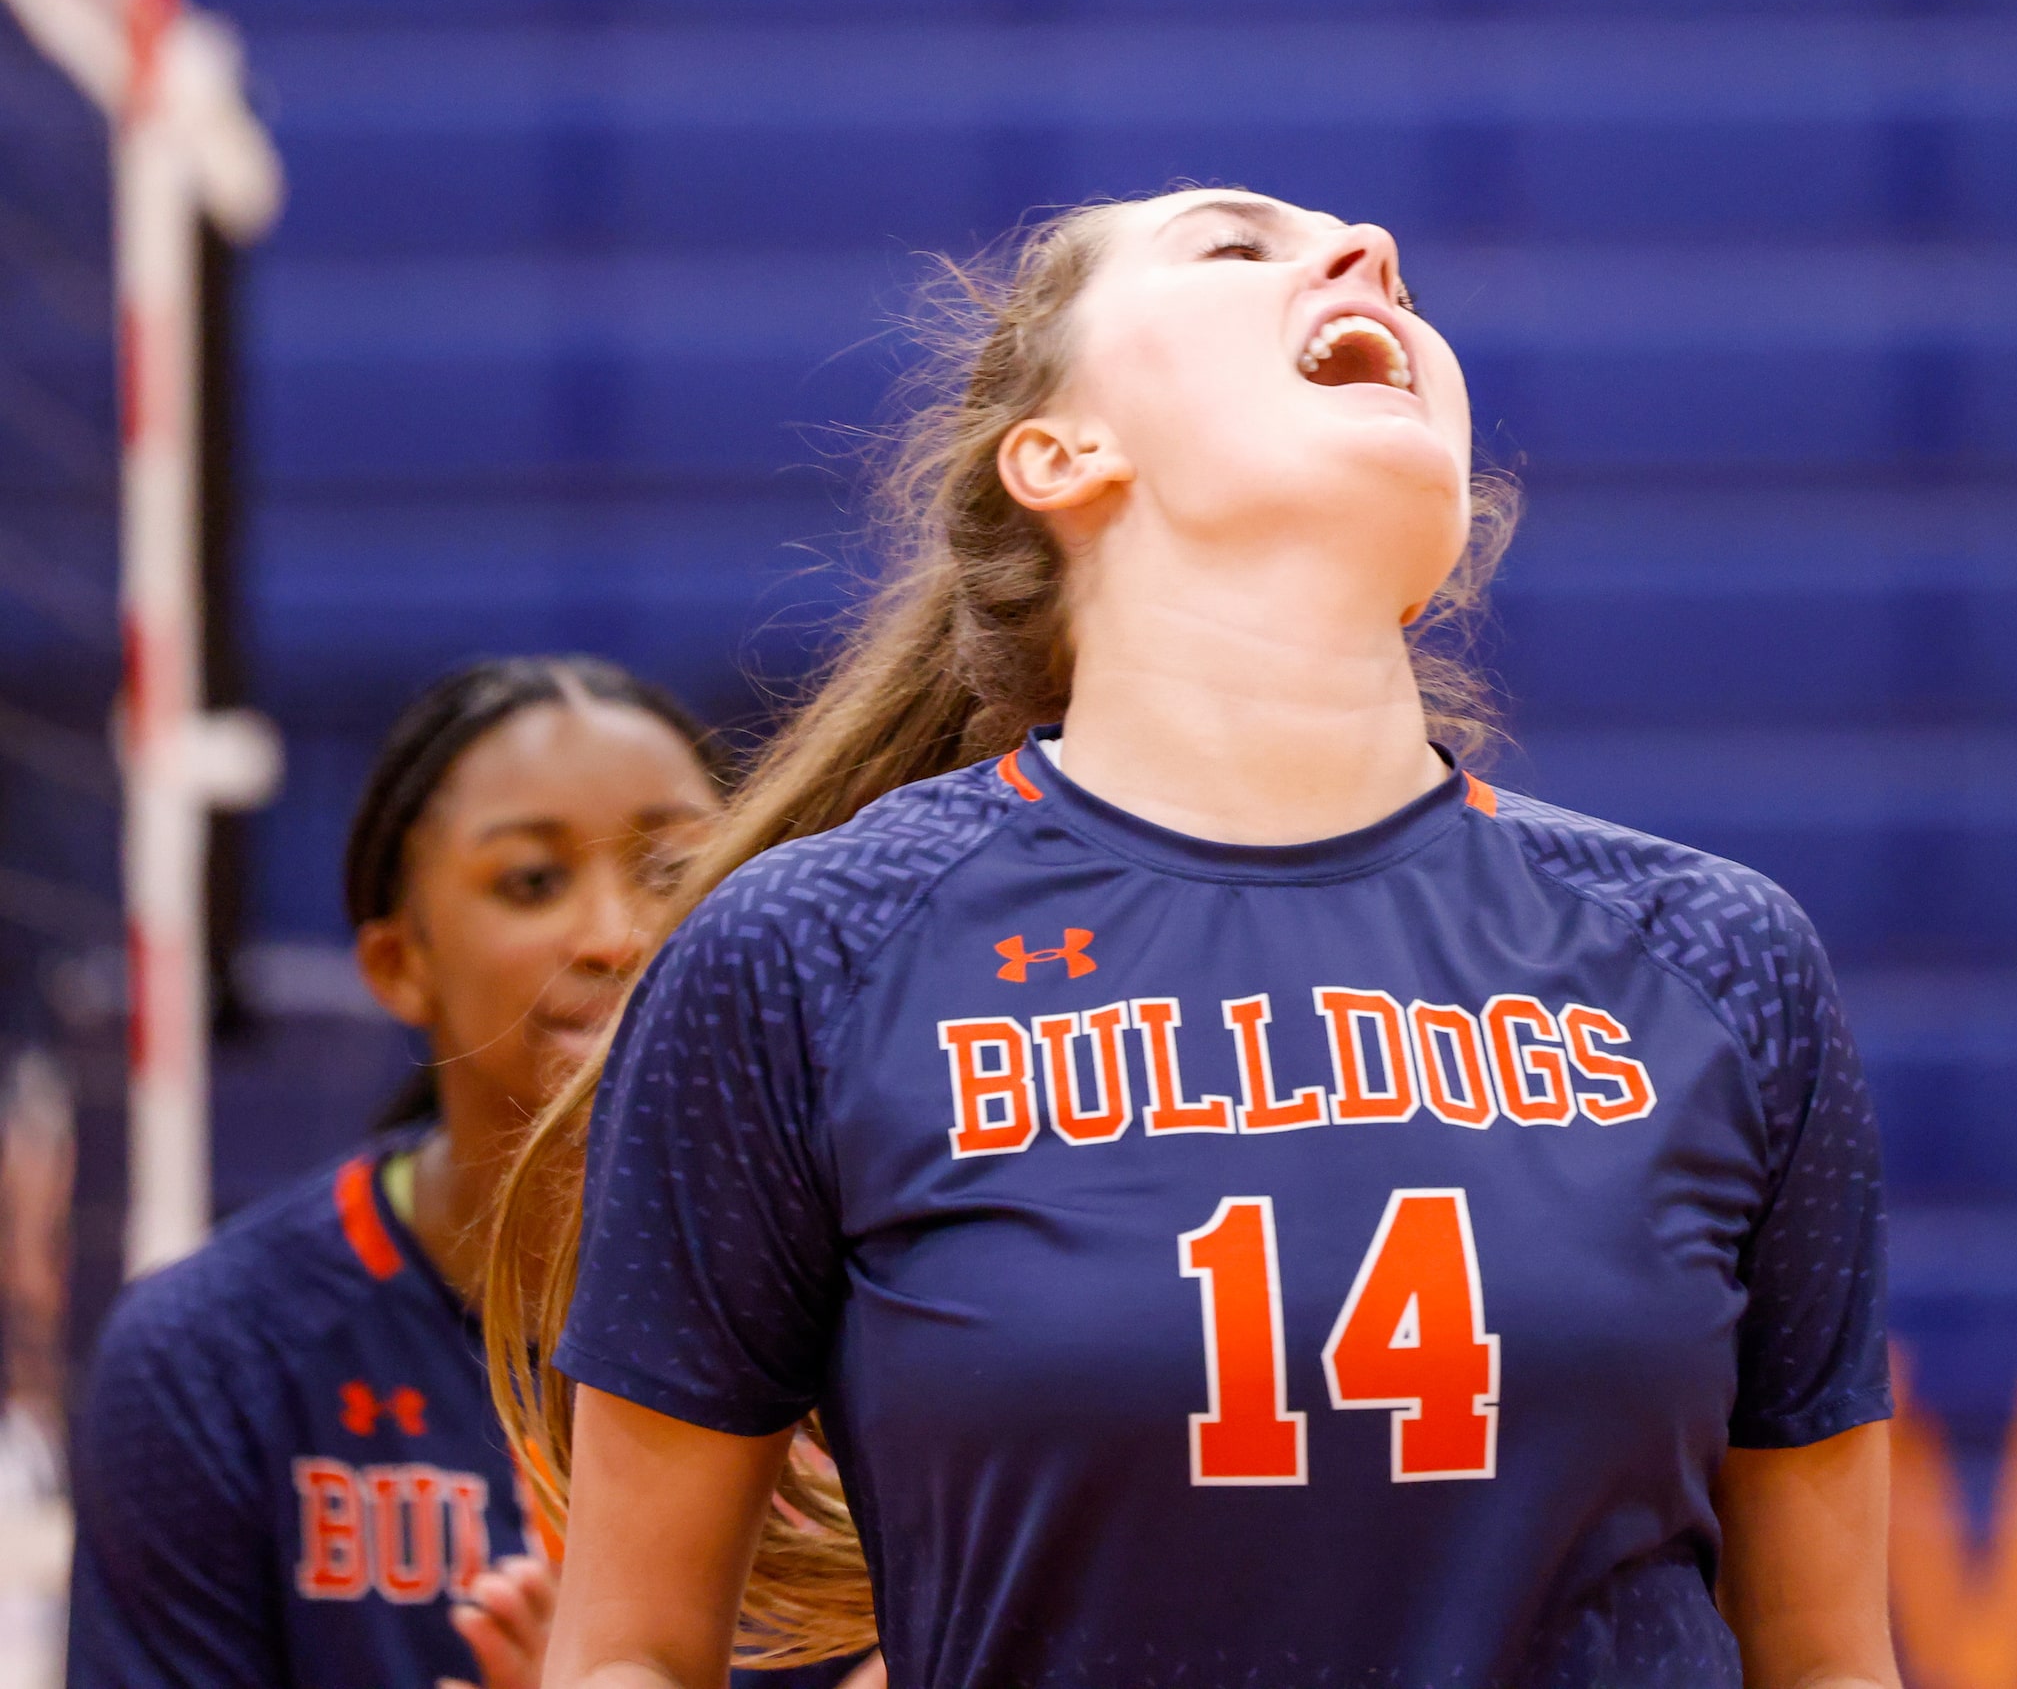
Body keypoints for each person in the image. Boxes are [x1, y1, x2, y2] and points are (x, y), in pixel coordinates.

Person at [499, 189, 1897, 1689]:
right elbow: (629, 1652)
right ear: (1060, 452)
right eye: (1238, 247)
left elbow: (1825, 1659)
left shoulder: (1716, 956)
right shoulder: (808, 951)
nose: (1366, 259)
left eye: (1390, 270)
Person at [69, 656, 879, 1689]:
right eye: (533, 882)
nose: (616, 934)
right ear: (398, 964)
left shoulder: (872, 1305)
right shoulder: (210, 1354)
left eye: (672, 871)